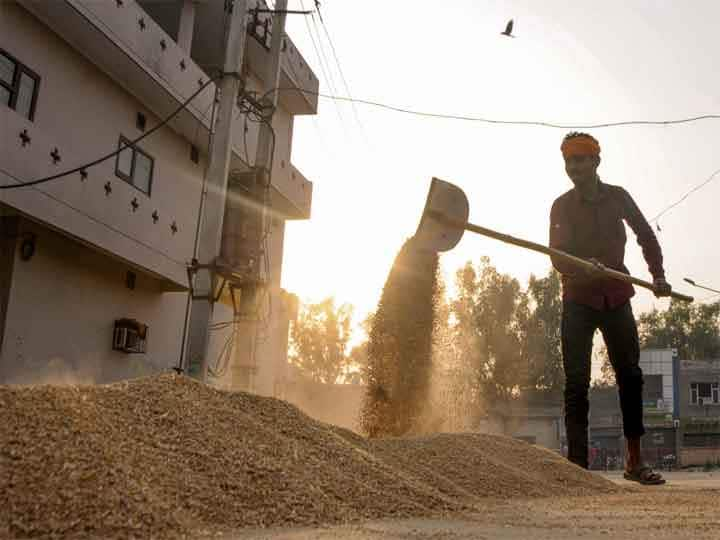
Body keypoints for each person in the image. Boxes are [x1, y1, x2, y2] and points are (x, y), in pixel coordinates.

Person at [549, 132, 670, 485]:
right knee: (576, 384)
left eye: (580, 160)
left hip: (616, 297)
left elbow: (645, 235)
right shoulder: (562, 206)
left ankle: (634, 463)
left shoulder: (618, 198)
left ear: (595, 162)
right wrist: (580, 265)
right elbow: (557, 254)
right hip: (578, 300)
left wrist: (658, 276)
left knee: (630, 377)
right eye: (569, 162)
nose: (573, 168)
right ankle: (577, 471)